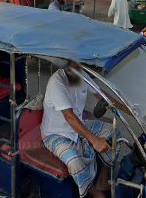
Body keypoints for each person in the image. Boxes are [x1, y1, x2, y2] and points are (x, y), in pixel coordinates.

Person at [41, 62, 114, 198]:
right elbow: (70, 117)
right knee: (74, 163)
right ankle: (94, 193)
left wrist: (126, 108)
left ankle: (103, 179)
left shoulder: (81, 74)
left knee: (113, 131)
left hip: (79, 125)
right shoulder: (56, 82)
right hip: (56, 134)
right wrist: (95, 140)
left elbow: (100, 94)